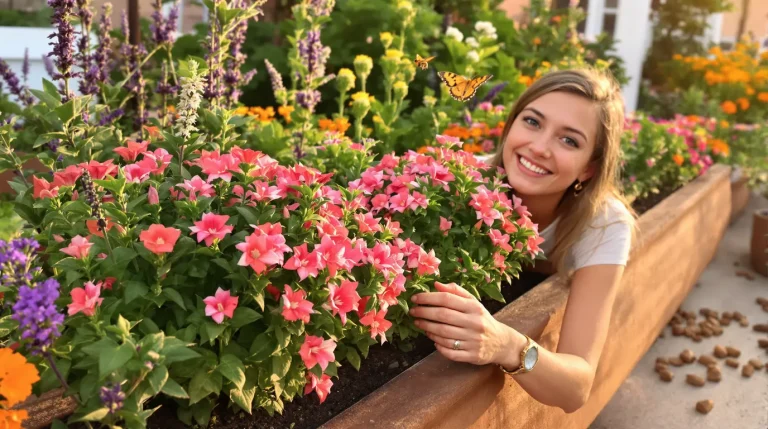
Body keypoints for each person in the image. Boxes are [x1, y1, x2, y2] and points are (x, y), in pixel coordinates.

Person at [408, 68, 639, 414]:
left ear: (588, 169)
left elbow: (577, 388)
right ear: (512, 124)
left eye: (569, 140)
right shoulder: (459, 183)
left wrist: (507, 344)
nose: (539, 147)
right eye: (532, 122)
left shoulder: (603, 223)